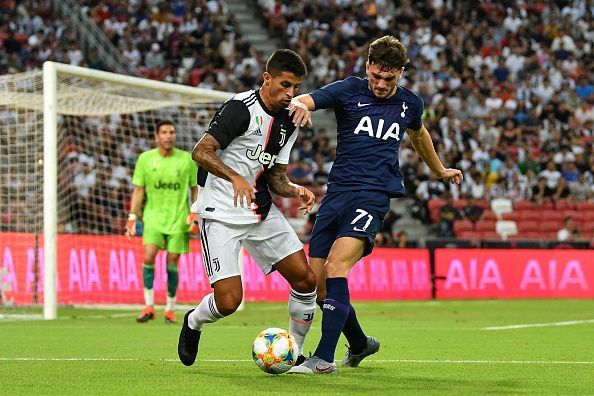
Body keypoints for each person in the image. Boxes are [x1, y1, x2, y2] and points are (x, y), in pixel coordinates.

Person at [288, 35, 463, 374]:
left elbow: (418, 133)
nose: (381, 84)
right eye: (377, 76)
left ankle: (322, 359)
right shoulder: (349, 89)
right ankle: (359, 343)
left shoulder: (410, 103)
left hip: (373, 195)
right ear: (368, 66)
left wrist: (439, 169)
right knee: (320, 285)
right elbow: (310, 99)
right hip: (336, 194)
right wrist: (299, 105)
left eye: (390, 77)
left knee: (338, 266)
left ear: (401, 72)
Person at [177, 49, 318, 367]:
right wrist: (235, 176)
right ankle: (193, 322)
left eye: (295, 87)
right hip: (221, 213)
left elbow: (276, 176)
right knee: (228, 302)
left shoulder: (289, 121)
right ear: (267, 78)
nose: (290, 93)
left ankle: (293, 351)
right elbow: (201, 152)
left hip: (260, 211)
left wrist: (295, 190)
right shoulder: (240, 109)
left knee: (306, 280)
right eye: (285, 85)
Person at [125, 120, 198, 324]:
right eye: (164, 132)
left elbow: (195, 187)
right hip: (153, 218)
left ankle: (170, 308)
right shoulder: (145, 159)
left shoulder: (185, 160)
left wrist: (194, 211)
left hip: (178, 219)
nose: (168, 136)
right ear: (157, 136)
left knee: (172, 261)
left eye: (171, 132)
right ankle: (148, 305)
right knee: (148, 256)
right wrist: (132, 216)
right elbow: (138, 189)